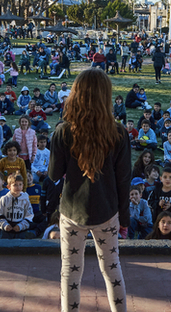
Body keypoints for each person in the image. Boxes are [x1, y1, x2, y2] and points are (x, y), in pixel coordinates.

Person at [48, 69, 130, 311]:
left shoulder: (64, 131)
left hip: (72, 211)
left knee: (70, 272)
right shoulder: (119, 133)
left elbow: (53, 174)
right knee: (112, 268)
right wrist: (124, 219)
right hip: (107, 211)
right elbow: (124, 180)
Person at [0, 173, 35, 239]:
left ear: (23, 186)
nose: (18, 187)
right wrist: (4, 225)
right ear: (9, 187)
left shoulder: (25, 200)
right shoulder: (4, 199)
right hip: (6, 230)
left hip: (20, 230)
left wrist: (21, 226)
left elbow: (29, 215)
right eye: (15, 185)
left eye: (20, 184)